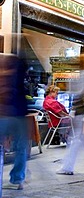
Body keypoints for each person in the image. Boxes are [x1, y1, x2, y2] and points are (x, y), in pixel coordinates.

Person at [56, 84, 84, 177]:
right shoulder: (83, 96)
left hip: (81, 120)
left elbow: (75, 110)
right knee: (83, 143)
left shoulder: (80, 95)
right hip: (82, 119)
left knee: (82, 143)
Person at [0, 54, 28, 190]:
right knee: (21, 148)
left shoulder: (3, 79)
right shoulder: (18, 76)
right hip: (19, 114)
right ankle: (18, 178)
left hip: (4, 114)